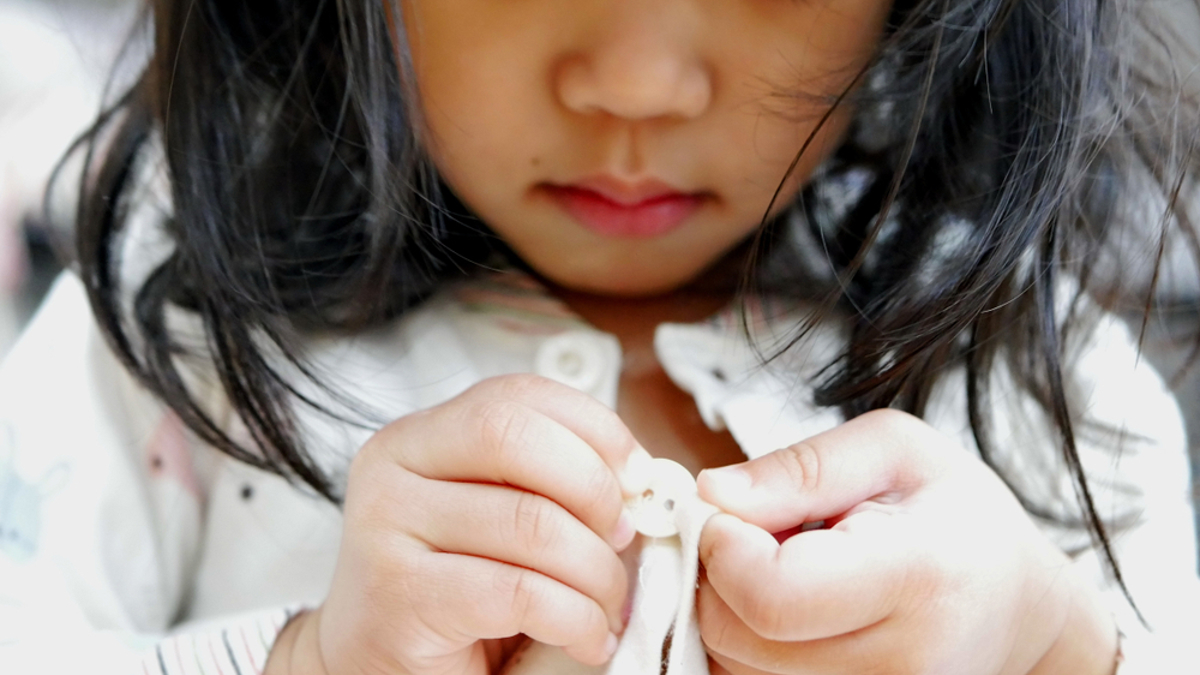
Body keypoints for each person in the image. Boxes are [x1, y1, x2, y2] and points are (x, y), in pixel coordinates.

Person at [1, 0, 1199, 673]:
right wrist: (313, 662)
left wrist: (1053, 651)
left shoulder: (1047, 396)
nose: (635, 82)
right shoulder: (180, 348)